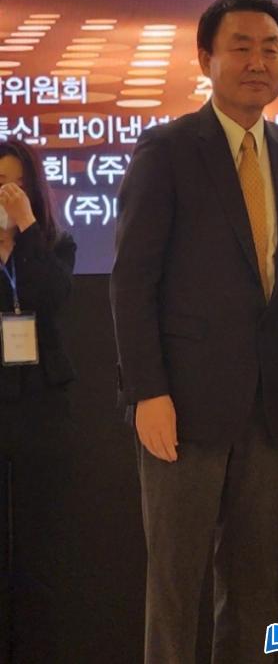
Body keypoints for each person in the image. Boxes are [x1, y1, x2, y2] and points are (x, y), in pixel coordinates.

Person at [110, 0, 278, 664]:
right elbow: (132, 281)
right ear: (206, 57)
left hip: (270, 403)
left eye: (271, 48)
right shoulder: (168, 149)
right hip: (181, 404)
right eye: (241, 46)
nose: (258, 61)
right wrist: (147, 392)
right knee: (175, 587)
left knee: (255, 584)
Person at [0, 140, 76, 664]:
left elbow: (54, 298)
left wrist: (25, 229)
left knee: (37, 543)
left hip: (39, 401)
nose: (7, 194)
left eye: (17, 184)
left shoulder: (53, 243)